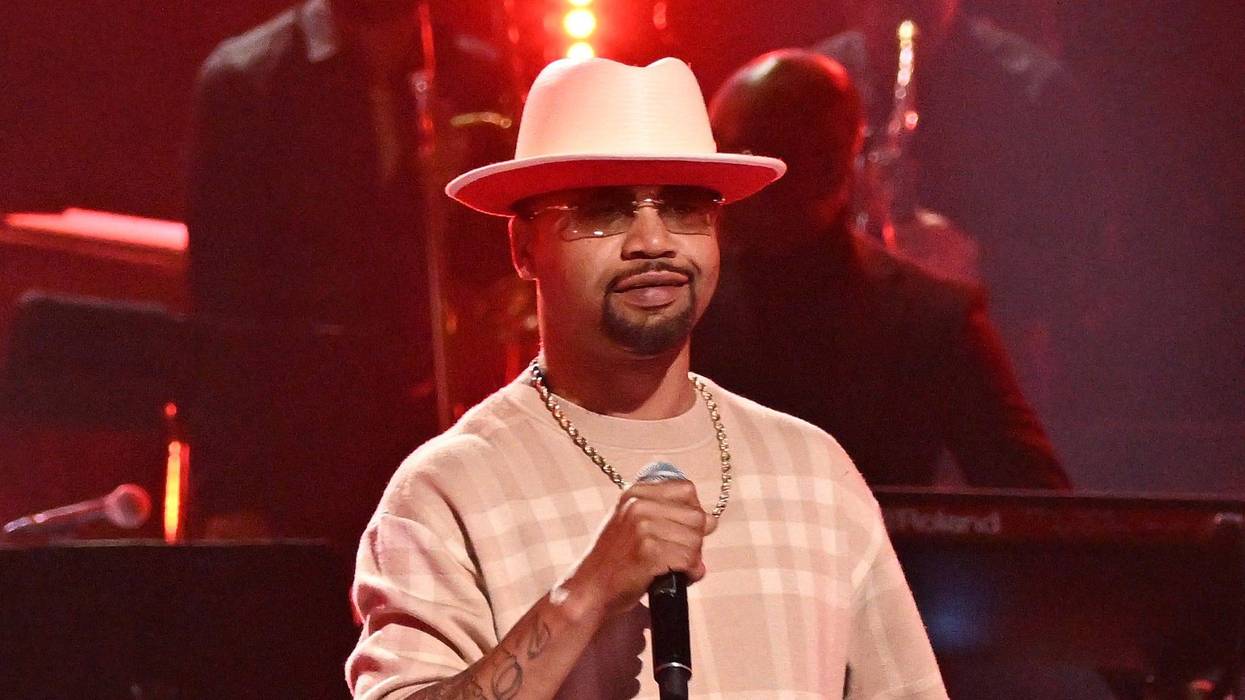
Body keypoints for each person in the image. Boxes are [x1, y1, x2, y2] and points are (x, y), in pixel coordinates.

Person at [347, 57, 947, 699]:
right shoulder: (448, 491)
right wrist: (584, 595)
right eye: (605, 208)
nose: (654, 239)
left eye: (685, 206)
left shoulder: (813, 472)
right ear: (524, 247)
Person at [186, 0, 507, 548]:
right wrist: (230, 494)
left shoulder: (477, 76)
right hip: (299, 451)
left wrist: (462, 203)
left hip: (445, 438)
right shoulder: (247, 81)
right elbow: (221, 308)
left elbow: (503, 272)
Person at [694, 49, 1069, 490]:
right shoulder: (681, 302)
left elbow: (1038, 510)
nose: (716, 176)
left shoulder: (933, 320)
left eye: (740, 151)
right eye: (712, 151)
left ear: (826, 166)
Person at [815, 0, 1108, 419]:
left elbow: (1086, 266)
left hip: (984, 368)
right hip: (844, 367)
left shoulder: (1037, 89)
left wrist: (976, 260)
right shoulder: (813, 80)